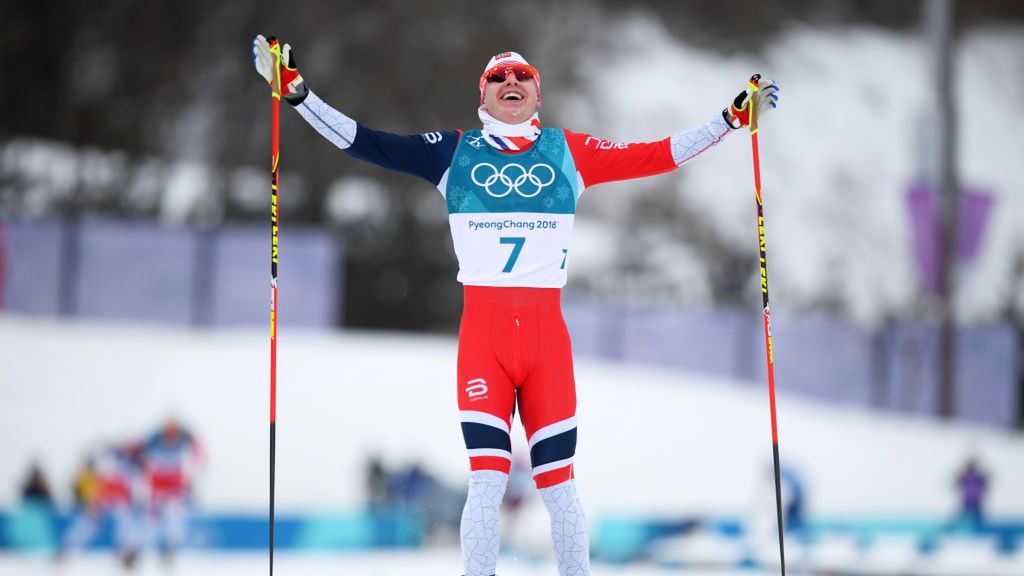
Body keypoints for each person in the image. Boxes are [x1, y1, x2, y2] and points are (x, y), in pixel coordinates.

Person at [252, 36, 779, 576]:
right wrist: (297, 94)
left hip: (548, 344)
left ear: (537, 94)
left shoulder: (569, 151)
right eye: (498, 77)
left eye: (521, 75)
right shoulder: (452, 153)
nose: (510, 81)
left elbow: (655, 154)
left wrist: (728, 121)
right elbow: (368, 143)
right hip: (485, 341)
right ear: (483, 99)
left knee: (559, 484)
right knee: (487, 479)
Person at [141, 418, 204, 564]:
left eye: (174, 429)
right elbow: (142, 462)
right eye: (168, 428)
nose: (171, 434)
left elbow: (197, 456)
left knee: (175, 516)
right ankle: (144, 551)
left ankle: (169, 549)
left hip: (175, 487)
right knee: (153, 521)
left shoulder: (185, 439)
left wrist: (189, 486)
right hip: (157, 487)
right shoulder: (153, 441)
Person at [954, 457, 988, 531]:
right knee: (965, 517)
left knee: (978, 518)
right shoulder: (965, 475)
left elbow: (985, 485)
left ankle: (978, 530)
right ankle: (963, 529)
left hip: (976, 500)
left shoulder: (978, 476)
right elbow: (957, 484)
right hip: (968, 500)